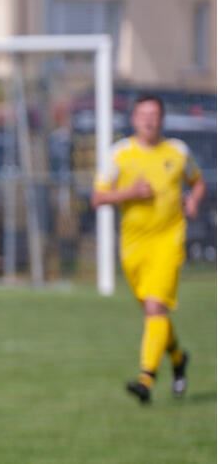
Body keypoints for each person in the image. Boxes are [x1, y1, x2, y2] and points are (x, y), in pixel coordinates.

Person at [92, 94, 205, 405]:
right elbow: (98, 198)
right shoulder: (119, 155)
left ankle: (146, 378)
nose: (148, 120)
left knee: (156, 308)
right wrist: (130, 192)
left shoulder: (178, 152)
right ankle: (179, 359)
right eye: (143, 114)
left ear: (162, 119)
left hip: (169, 241)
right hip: (133, 245)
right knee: (154, 313)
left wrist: (193, 200)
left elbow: (198, 181)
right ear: (133, 119)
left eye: (154, 114)